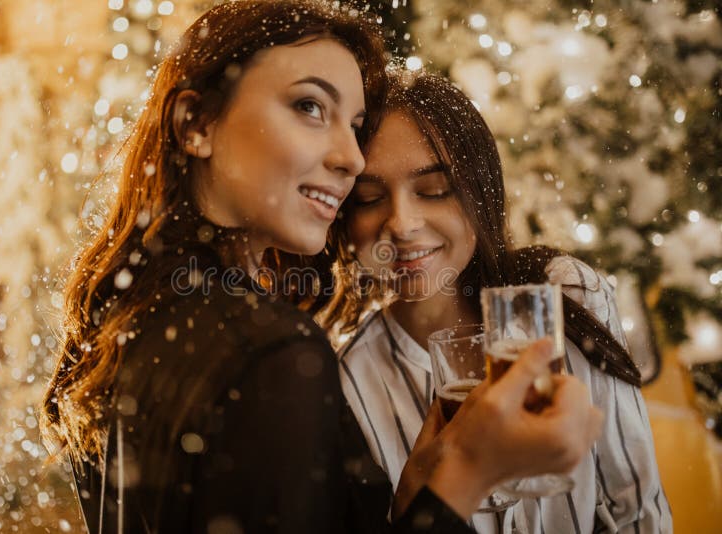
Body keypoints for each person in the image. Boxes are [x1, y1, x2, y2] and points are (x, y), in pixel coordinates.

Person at [40, 2, 602, 532]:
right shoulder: (269, 351)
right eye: (310, 107)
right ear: (196, 125)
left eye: (354, 126)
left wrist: (416, 496)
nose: (350, 158)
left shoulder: (131, 310)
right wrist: (470, 472)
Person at [319, 68, 672, 533]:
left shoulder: (566, 294)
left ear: (480, 192)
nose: (402, 223)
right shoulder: (348, 378)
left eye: (434, 191)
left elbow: (637, 510)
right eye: (368, 198)